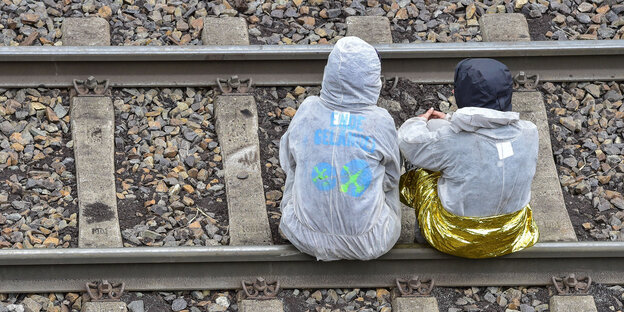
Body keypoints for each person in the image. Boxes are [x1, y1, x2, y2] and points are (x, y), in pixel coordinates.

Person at [398, 58, 540, 259]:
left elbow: (408, 143)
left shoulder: (450, 140)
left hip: (455, 237)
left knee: (420, 172)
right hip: (512, 233)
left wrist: (418, 122)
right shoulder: (530, 132)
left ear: (462, 95)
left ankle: (422, 235)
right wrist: (449, 119)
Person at [278, 36, 401, 261]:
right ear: (374, 80)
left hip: (302, 234)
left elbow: (287, 161)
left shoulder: (308, 110)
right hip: (371, 241)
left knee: (297, 164)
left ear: (329, 73)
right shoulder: (380, 121)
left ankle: (300, 220)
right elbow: (392, 178)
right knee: (389, 171)